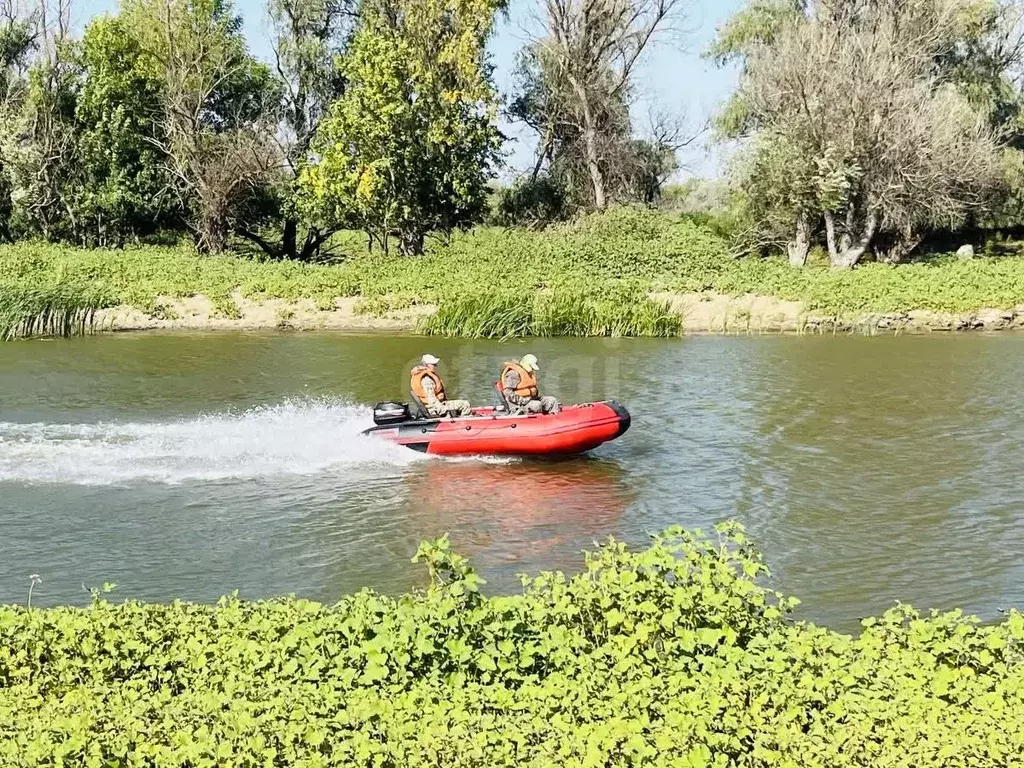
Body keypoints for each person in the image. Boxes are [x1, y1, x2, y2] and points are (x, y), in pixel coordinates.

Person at [410, 354, 472, 418]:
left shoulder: (423, 375)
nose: (436, 366)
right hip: (434, 408)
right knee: (465, 405)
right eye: (433, 364)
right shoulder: (427, 380)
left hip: (435, 405)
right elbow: (432, 400)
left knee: (462, 404)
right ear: (427, 365)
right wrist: (444, 411)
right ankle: (463, 423)